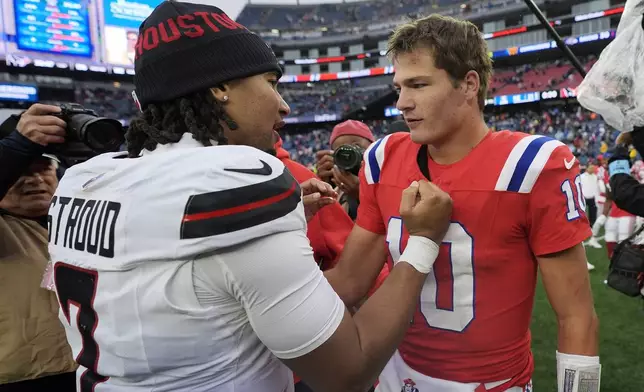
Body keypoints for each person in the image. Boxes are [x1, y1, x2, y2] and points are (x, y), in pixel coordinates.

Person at [48, 3, 454, 392]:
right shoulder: (236, 182)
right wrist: (421, 243)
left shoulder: (84, 179)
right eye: (271, 83)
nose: (283, 104)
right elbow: (348, 373)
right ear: (221, 87)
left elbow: (189, 283)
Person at [325, 14, 599, 392]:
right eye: (399, 87)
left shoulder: (532, 166)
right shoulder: (382, 158)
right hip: (394, 373)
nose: (402, 103)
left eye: (418, 85)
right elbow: (350, 282)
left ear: (469, 84)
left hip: (491, 383)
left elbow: (576, 317)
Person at [0, 105, 77, 391]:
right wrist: (19, 146)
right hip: (19, 378)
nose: (34, 180)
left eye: (43, 169)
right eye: (20, 172)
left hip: (86, 369)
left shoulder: (76, 221)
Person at [316, 120, 375, 220]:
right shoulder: (337, 192)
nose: (349, 155)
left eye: (356, 146)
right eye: (341, 149)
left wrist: (361, 194)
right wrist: (323, 187)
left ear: (373, 147)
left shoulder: (387, 179)